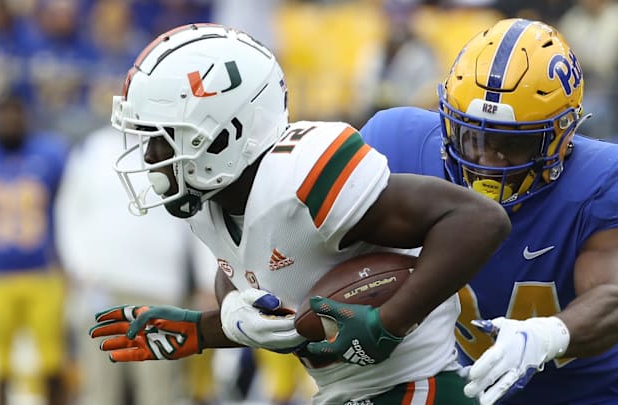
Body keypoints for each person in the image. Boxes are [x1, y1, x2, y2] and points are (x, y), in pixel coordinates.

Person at [87, 23, 511, 405]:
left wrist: (390, 320)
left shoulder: (303, 178)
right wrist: (215, 323)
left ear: (227, 134)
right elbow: (261, 280)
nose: (151, 156)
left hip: (418, 388)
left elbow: (477, 219)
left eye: (166, 139)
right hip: (346, 394)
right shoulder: (209, 198)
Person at [360, 18, 618, 405]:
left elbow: (616, 296)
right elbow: (315, 215)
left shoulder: (605, 180)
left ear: (562, 135)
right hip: (468, 387)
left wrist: (545, 336)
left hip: (599, 393)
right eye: (472, 137)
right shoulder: (395, 142)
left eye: (512, 144)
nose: (488, 161)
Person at [54, 124, 219, 405]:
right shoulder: (94, 148)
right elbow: (69, 209)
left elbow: (199, 213)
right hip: (102, 286)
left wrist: (206, 277)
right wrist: (78, 266)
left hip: (160, 288)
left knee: (158, 391)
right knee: (99, 389)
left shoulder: (179, 145)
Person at [0, 94, 69, 405]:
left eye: (16, 115)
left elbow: (68, 207)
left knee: (52, 358)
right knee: (1, 362)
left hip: (42, 272)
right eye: (4, 115)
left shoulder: (49, 154)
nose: (10, 122)